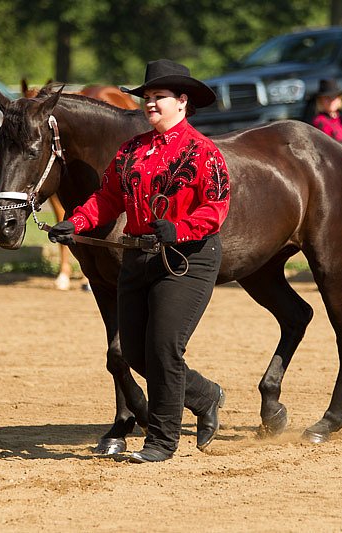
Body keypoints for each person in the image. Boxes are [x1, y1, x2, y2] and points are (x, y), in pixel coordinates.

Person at [49, 59, 230, 463]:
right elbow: (107, 197)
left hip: (188, 258)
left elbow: (215, 208)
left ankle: (162, 442)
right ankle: (205, 395)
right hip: (139, 254)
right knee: (134, 351)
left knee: (164, 346)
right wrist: (74, 220)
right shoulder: (131, 150)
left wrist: (178, 229)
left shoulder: (204, 152)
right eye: (147, 98)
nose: (150, 103)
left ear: (182, 102)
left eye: (158, 97)